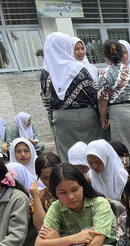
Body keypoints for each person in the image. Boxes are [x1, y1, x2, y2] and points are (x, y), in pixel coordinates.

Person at [34, 163, 118, 246]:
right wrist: (71, 239)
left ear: (82, 186)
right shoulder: (56, 207)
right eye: (63, 193)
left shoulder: (99, 204)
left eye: (74, 189)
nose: (70, 196)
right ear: (55, 192)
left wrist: (57, 243)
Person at [40, 32, 105, 163]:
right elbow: (94, 96)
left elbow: (46, 100)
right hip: (86, 119)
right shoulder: (78, 69)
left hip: (61, 120)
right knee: (93, 154)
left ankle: (71, 181)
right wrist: (103, 117)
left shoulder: (45, 72)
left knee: (68, 156)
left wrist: (54, 117)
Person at [98, 39, 130, 155]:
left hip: (118, 113)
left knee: (123, 149)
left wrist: (103, 120)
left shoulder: (104, 74)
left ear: (104, 55)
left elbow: (102, 101)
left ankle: (128, 171)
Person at [30, 152, 61, 231]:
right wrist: (36, 198)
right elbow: (41, 227)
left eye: (54, 176)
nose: (51, 181)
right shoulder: (40, 197)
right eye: (45, 178)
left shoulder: (73, 189)